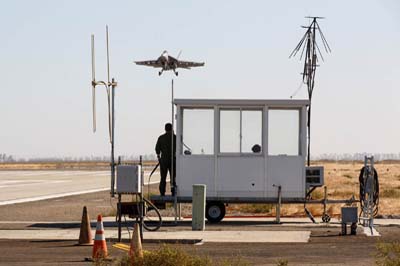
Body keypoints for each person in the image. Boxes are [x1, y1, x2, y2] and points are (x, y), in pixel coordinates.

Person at [155, 123, 176, 196]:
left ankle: (162, 192)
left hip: (163, 160)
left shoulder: (161, 138)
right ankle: (173, 192)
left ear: (165, 129)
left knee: (163, 177)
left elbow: (157, 149)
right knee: (173, 177)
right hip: (173, 160)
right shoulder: (175, 138)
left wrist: (159, 158)